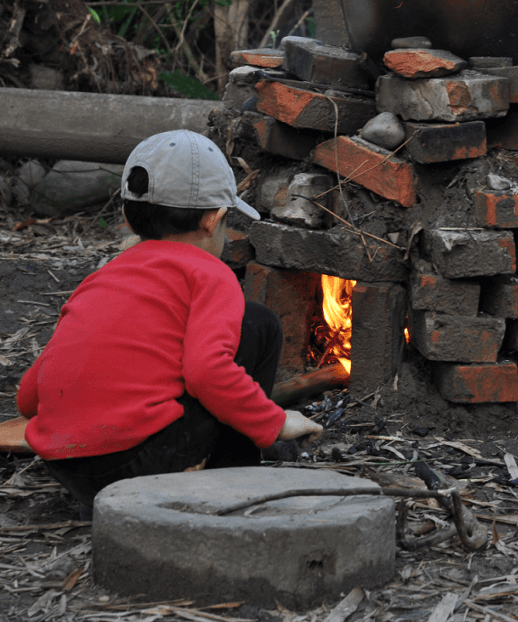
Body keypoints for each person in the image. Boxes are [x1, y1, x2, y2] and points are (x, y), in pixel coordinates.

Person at [16, 130, 322, 516]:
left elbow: (28, 396)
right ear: (214, 220)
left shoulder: (101, 278)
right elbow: (206, 371)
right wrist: (275, 421)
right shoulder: (210, 274)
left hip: (65, 466)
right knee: (258, 323)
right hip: (138, 464)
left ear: (128, 218)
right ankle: (231, 477)